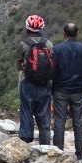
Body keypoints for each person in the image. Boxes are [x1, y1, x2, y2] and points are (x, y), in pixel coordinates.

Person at [51, 22, 82, 160]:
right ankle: (80, 153)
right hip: (78, 90)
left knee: (59, 121)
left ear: (64, 33)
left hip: (60, 90)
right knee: (78, 121)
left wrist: (54, 87)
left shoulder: (57, 49)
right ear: (77, 33)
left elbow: (53, 70)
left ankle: (58, 152)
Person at [18, 14, 54, 145]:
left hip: (28, 84)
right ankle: (45, 146)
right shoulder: (49, 44)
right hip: (45, 85)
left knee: (26, 112)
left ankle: (25, 143)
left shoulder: (23, 44)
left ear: (27, 28)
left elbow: (19, 64)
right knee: (44, 115)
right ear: (41, 28)